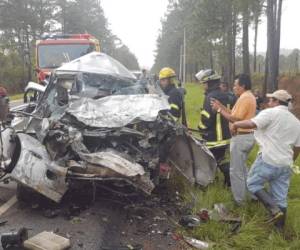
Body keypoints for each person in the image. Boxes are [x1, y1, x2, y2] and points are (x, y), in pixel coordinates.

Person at [231, 90, 300, 230]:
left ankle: (273, 209)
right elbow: (298, 147)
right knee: (280, 197)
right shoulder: (296, 122)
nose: (268, 103)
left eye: (270, 100)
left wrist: (236, 125)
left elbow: (251, 123)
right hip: (285, 164)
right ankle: (279, 230)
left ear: (276, 101)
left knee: (252, 183)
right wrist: (290, 161)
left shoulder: (271, 113)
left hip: (268, 159)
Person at [211, 74, 256, 205]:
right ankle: (251, 195)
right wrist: (221, 106)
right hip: (246, 137)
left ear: (242, 86)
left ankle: (240, 201)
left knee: (236, 171)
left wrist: (219, 109)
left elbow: (235, 119)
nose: (234, 87)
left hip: (241, 137)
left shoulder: (245, 98)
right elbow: (233, 114)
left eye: (236, 85)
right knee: (243, 169)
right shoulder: (247, 97)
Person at [195, 69, 231, 186]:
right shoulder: (224, 94)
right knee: (220, 159)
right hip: (225, 136)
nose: (203, 86)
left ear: (210, 83)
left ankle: (217, 182)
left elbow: (206, 118)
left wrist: (199, 128)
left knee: (211, 160)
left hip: (214, 137)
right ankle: (226, 182)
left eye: (204, 83)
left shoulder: (210, 97)